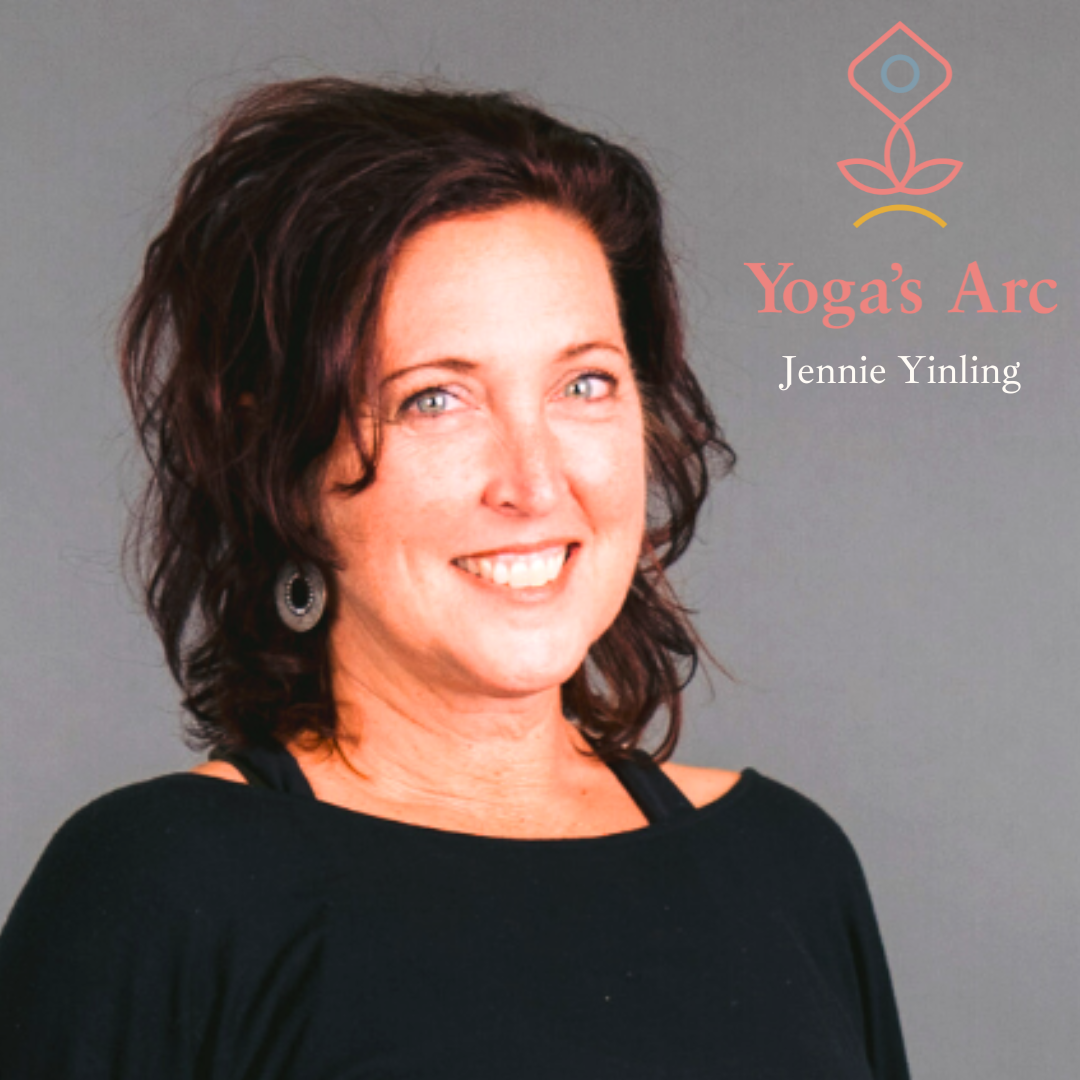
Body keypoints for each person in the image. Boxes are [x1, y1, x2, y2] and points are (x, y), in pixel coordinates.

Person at [0, 79, 910, 1079]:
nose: (534, 482)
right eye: (435, 398)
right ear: (281, 464)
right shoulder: (159, 885)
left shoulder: (786, 864)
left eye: (585, 384)